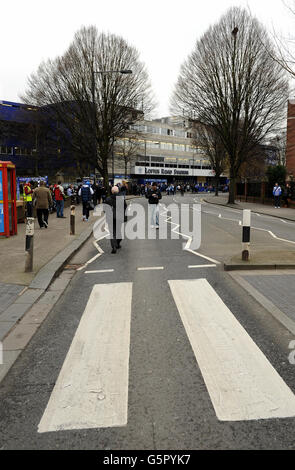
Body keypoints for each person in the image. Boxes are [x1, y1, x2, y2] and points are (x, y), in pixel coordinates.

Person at [105, 186, 126, 254]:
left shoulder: (108, 199)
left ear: (112, 191)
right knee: (118, 231)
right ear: (118, 191)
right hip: (119, 217)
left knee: (112, 233)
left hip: (110, 217)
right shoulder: (121, 198)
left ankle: (114, 246)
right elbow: (125, 207)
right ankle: (117, 243)